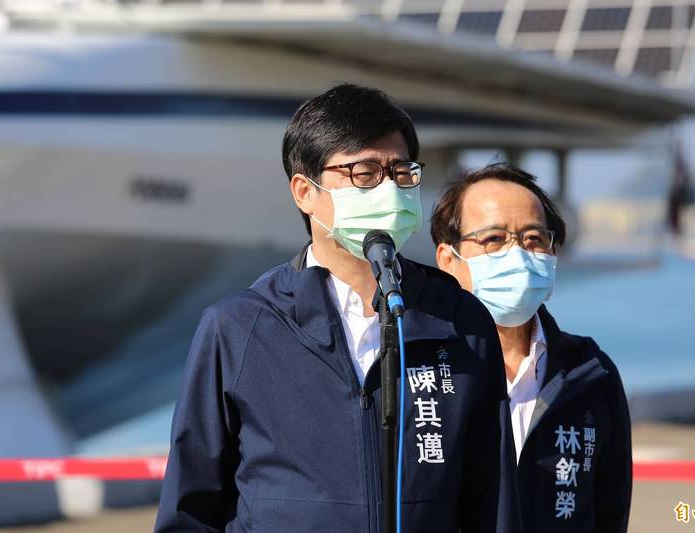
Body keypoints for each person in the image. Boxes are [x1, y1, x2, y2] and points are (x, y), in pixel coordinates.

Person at [155, 84, 521, 532]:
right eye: (364, 172)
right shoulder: (239, 327)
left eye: (401, 172)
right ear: (304, 192)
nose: (388, 189)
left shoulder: (460, 320)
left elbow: (493, 500)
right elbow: (189, 508)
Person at [431, 163, 632, 533]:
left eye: (533, 239)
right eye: (493, 239)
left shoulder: (590, 373)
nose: (518, 254)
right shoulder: (418, 366)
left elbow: (610, 509)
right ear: (448, 260)